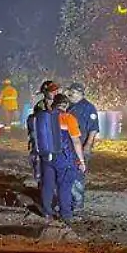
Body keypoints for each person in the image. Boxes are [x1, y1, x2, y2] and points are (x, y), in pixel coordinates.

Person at [32, 93, 86, 224]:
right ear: (66, 105)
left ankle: (46, 212)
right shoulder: (68, 118)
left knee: (48, 185)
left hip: (46, 156)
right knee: (64, 186)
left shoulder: (43, 117)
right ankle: (65, 215)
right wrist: (82, 161)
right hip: (64, 157)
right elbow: (76, 141)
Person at [65, 82, 99, 211]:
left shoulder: (88, 108)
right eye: (69, 92)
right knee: (67, 174)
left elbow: (93, 128)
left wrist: (88, 145)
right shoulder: (68, 106)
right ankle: (67, 201)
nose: (69, 94)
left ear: (80, 93)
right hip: (67, 146)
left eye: (72, 92)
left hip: (81, 145)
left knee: (78, 175)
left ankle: (77, 204)